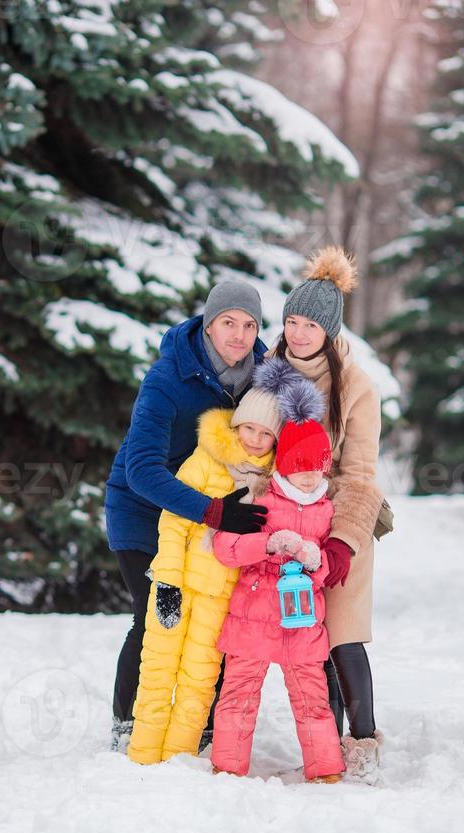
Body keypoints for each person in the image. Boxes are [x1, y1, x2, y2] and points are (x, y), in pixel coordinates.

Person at [105, 282, 270, 750]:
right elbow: (141, 469)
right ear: (208, 322)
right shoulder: (167, 379)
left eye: (249, 325)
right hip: (141, 510)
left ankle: (203, 723)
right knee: (154, 615)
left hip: (217, 515)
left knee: (216, 616)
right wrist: (215, 511)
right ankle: (128, 722)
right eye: (228, 323)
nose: (239, 336)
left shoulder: (262, 380)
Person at [127, 363, 292, 764]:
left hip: (221, 595)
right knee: (158, 668)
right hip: (178, 584)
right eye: (249, 428)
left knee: (200, 677)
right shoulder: (205, 461)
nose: (254, 439)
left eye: (265, 433)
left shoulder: (269, 483)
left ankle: (179, 756)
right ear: (236, 427)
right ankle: (144, 755)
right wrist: (166, 580)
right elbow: (173, 521)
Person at [271, 245, 385, 784]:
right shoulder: (267, 376)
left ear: (329, 328)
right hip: (282, 528)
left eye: (309, 324)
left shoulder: (356, 387)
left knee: (341, 634)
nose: (297, 333)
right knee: (304, 638)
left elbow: (361, 474)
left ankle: (362, 743)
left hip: (342, 525)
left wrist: (341, 540)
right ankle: (325, 748)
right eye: (291, 321)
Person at [210, 399, 346, 784]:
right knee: (238, 695)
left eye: (316, 467)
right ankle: (228, 766)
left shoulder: (326, 508)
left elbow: (326, 569)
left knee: (313, 700)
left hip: (301, 619)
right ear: (284, 463)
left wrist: (313, 558)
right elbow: (226, 548)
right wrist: (267, 545)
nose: (308, 476)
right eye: (300, 466)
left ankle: (325, 771)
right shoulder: (261, 498)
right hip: (253, 615)